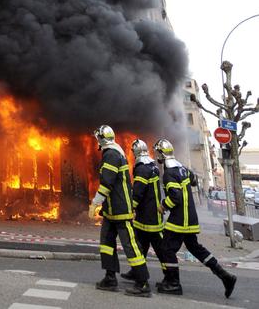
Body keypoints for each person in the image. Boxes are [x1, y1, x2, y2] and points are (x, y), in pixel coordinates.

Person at [154, 138, 237, 298]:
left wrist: (163, 205)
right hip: (190, 218)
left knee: (166, 249)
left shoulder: (169, 173)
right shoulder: (182, 169)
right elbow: (193, 181)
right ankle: (225, 276)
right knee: (195, 248)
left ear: (162, 154)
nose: (157, 156)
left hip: (180, 220)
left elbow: (175, 197)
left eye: (158, 153)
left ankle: (173, 283)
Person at [90, 125, 151, 297]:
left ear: (101, 139)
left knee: (130, 245)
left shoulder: (111, 154)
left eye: (97, 138)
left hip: (120, 209)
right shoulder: (114, 152)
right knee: (106, 243)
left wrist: (95, 203)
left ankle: (143, 283)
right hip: (111, 210)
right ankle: (110, 278)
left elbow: (107, 183)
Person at [121, 138, 165, 282]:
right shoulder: (152, 165)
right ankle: (136, 271)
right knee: (141, 246)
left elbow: (138, 192)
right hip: (151, 215)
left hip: (147, 216)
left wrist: (131, 208)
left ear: (136, 151)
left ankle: (171, 278)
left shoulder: (141, 168)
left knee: (160, 250)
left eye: (133, 151)